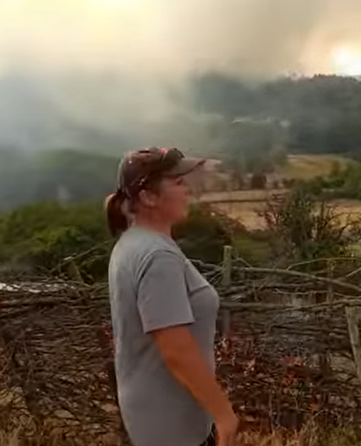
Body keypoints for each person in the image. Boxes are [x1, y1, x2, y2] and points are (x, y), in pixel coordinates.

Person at [104, 147, 238, 446]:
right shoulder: (157, 256)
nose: (187, 188)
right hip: (170, 425)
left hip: (152, 416)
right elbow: (175, 348)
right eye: (177, 182)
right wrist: (223, 414)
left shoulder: (132, 244)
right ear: (149, 198)